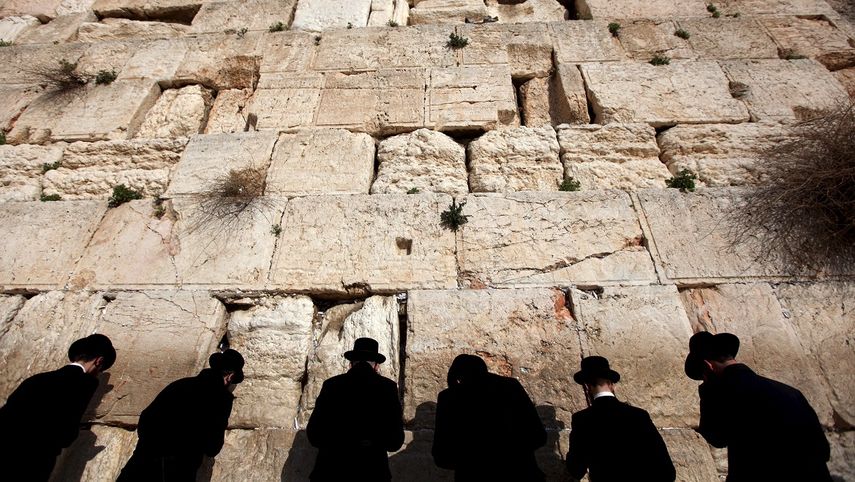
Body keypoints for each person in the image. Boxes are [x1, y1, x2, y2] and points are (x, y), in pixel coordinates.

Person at [685, 331, 832, 482]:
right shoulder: (790, 392)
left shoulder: (725, 394)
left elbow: (716, 437)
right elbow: (822, 450)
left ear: (708, 366)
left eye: (702, 377)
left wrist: (707, 392)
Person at [0, 333, 116, 481]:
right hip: (32, 464)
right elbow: (66, 433)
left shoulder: (36, 380)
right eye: (100, 371)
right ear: (99, 361)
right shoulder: (84, 383)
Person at [117, 349, 245, 482]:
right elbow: (213, 446)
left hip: (143, 460)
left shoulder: (180, 384)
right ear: (230, 376)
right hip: (179, 468)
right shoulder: (222, 398)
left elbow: (146, 417)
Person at [432, 354, 547, 481]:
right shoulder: (511, 387)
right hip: (520, 472)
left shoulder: (449, 398)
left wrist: (470, 463)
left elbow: (441, 454)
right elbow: (538, 435)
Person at [306, 337, 404, 481]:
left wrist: (340, 443)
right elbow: (395, 441)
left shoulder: (331, 385)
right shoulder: (387, 388)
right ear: (376, 366)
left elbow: (314, 435)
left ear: (351, 364)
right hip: (372, 472)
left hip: (330, 471)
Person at [565, 356, 675, 482]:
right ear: (612, 385)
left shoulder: (582, 420)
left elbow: (576, 470)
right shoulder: (639, 415)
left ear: (586, 387)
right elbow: (667, 469)